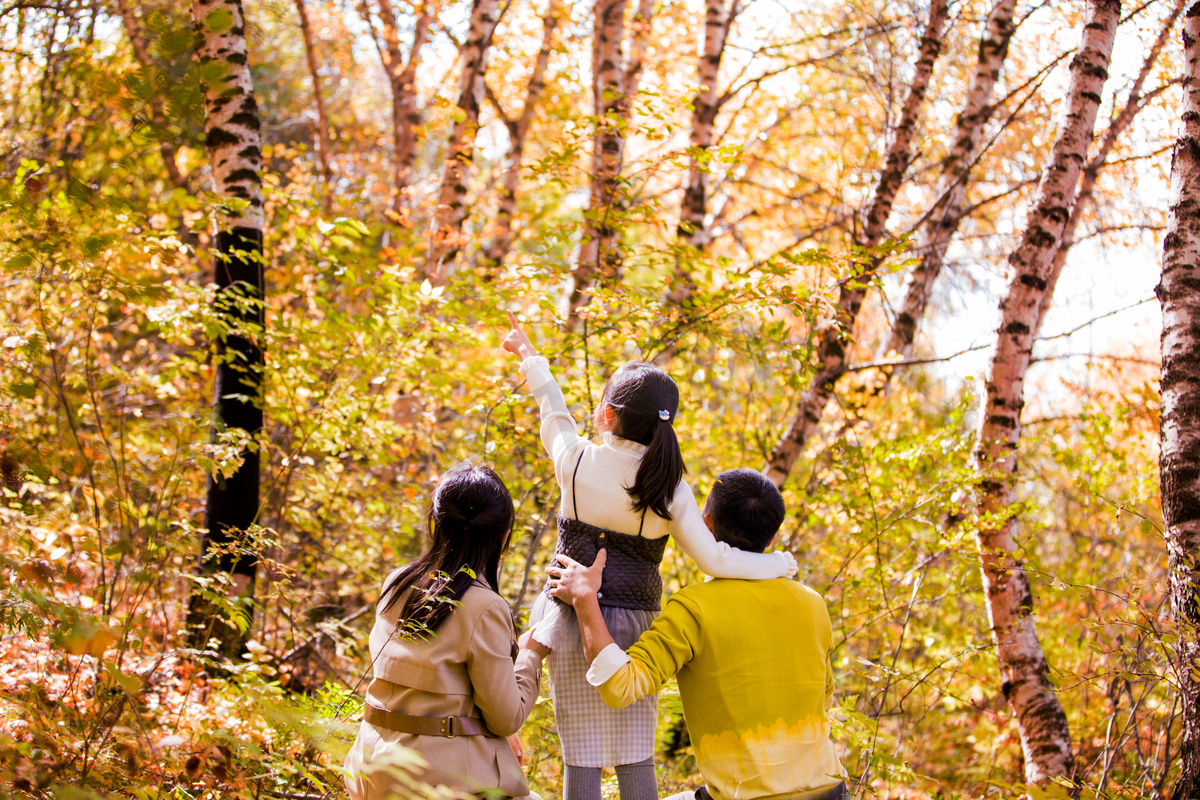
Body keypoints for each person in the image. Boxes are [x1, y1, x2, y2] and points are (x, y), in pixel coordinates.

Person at [500, 313, 797, 800]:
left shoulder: (576, 464)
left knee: (583, 754)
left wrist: (532, 359)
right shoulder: (670, 488)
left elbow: (553, 415)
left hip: (572, 620)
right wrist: (778, 564)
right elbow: (716, 561)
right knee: (636, 753)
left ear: (607, 415)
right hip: (635, 628)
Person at [548, 468, 848, 800]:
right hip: (831, 790)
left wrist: (585, 598)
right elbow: (825, 696)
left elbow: (620, 686)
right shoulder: (813, 603)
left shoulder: (693, 609)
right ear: (772, 538)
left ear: (704, 526)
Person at [344, 462, 546, 800]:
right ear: (503, 536)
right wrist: (531, 653)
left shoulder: (397, 582)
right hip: (435, 783)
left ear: (436, 522)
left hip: (371, 769)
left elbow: (428, 692)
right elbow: (506, 718)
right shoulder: (484, 607)